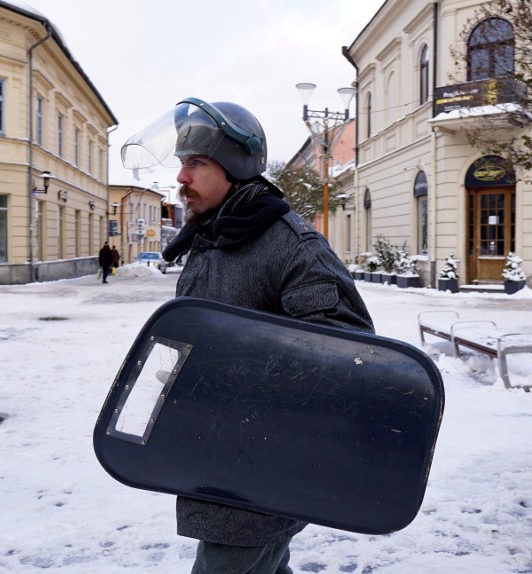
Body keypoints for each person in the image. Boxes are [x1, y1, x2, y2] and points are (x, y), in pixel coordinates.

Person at [122, 98, 374, 574]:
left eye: (196, 163)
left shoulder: (292, 248)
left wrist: (235, 378)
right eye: (180, 163)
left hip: (260, 470)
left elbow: (348, 358)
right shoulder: (216, 238)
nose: (181, 178)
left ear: (235, 168)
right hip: (218, 458)